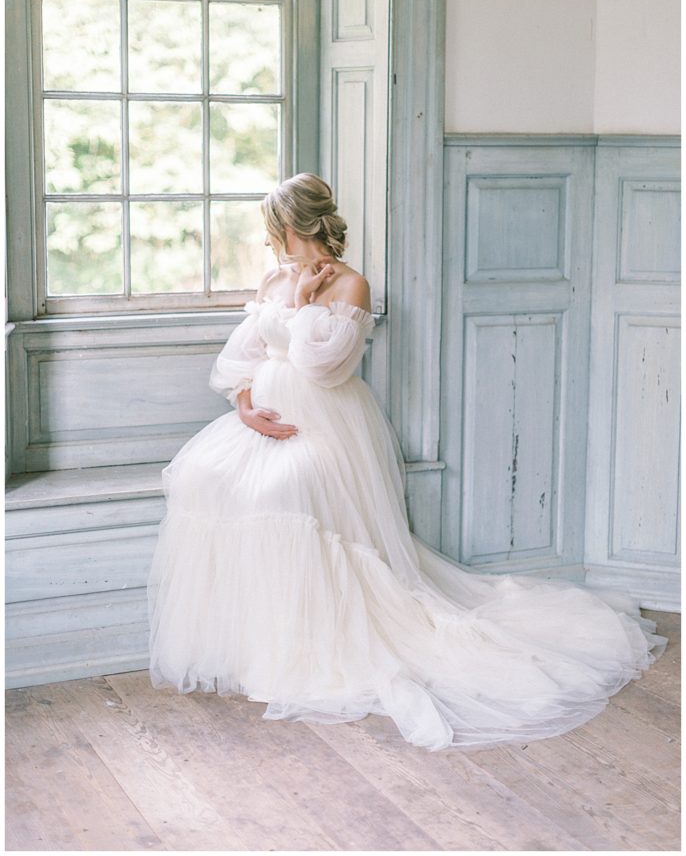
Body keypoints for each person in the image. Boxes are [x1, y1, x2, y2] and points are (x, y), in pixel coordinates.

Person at [146, 172, 667, 752]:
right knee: (202, 478)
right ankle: (258, 642)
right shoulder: (274, 278)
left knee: (280, 496)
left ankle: (315, 643)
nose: (270, 242)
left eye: (274, 230)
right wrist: (244, 408)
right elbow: (240, 356)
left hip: (323, 427)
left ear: (292, 226)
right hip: (264, 424)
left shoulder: (352, 286)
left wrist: (298, 307)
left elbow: (324, 368)